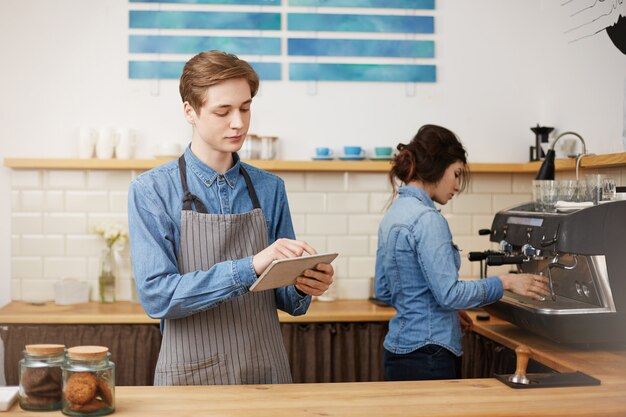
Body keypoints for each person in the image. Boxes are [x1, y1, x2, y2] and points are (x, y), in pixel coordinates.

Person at [128, 50, 334, 386]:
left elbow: (285, 298)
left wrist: (303, 283)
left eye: (245, 107)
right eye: (222, 111)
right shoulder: (152, 190)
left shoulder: (270, 188)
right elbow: (159, 297)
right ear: (190, 112)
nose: (238, 123)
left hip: (265, 374)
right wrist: (249, 266)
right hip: (189, 379)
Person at [374, 124, 550, 381]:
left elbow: (384, 290)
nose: (457, 185)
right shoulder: (428, 219)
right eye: (456, 174)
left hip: (398, 353)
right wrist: (506, 281)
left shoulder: (393, 214)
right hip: (430, 356)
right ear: (436, 165)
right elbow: (449, 294)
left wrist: (446, 311)